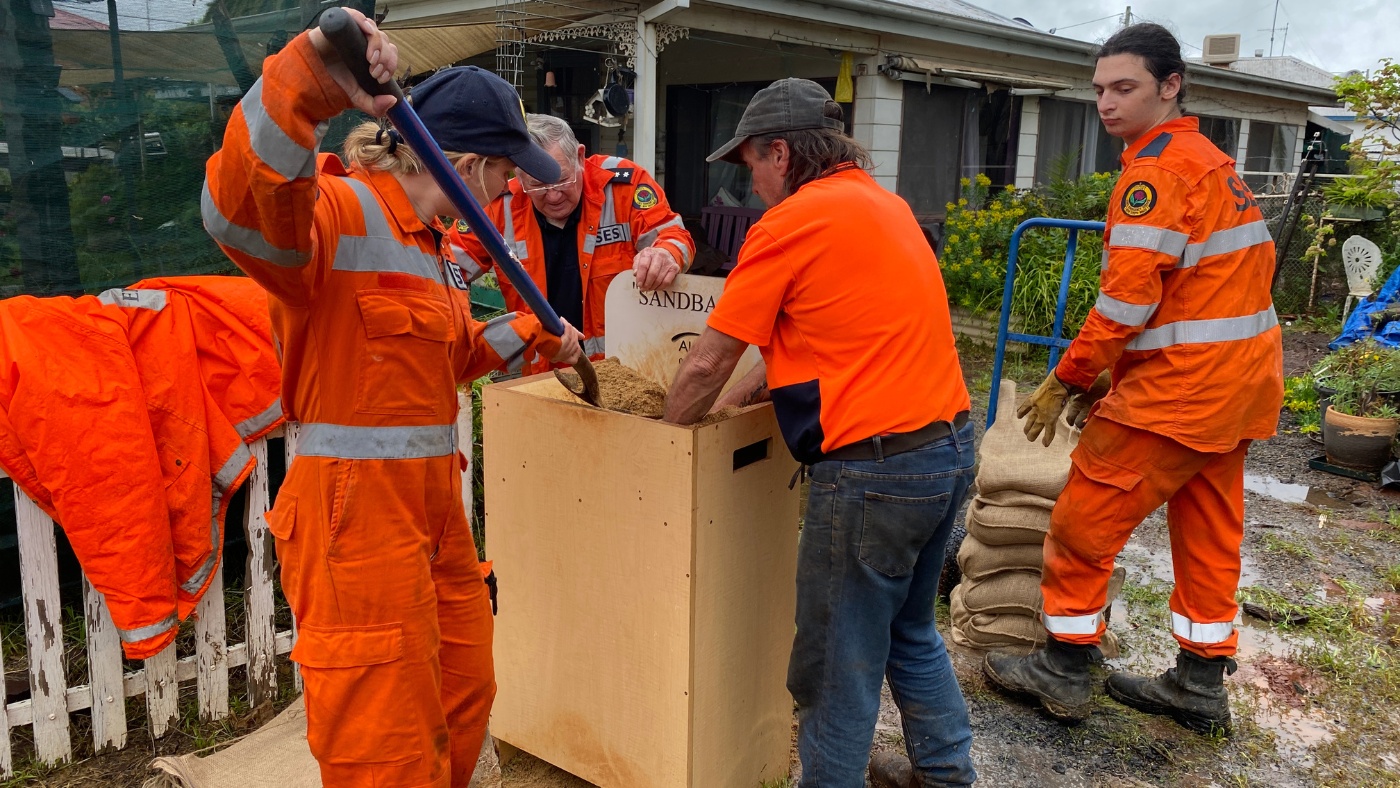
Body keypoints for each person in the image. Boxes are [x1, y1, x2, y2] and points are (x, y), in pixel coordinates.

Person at [202, 11, 583, 785]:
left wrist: (534, 335)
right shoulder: (340, 215)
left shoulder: (435, 252)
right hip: (356, 525)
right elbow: (241, 215)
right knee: (384, 743)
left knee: (463, 696)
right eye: (507, 172)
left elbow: (442, 363)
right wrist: (305, 82)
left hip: (434, 517)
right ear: (468, 164)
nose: (511, 187)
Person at [662, 78, 977, 788]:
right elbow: (806, 353)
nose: (751, 183)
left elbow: (709, 358)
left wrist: (662, 432)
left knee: (836, 663)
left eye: (751, 164)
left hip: (876, 473)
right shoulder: (881, 204)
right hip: (947, 451)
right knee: (908, 631)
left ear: (782, 151)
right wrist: (730, 405)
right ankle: (947, 774)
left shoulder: (792, 222)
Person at [982, 22, 1283, 736]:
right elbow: (1208, 292)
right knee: (1209, 532)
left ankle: (1063, 668)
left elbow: (1126, 300)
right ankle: (1200, 683)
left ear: (1170, 86)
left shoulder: (1155, 173)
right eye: (1099, 90)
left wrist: (1073, 376)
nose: (1107, 104)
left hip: (1180, 393)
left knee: (1084, 521)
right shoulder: (1212, 163)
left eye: (1125, 88)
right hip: (1238, 389)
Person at [447, 113, 695, 374]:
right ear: (516, 174)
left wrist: (665, 254)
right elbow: (445, 265)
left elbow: (675, 237)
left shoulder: (624, 185)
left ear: (579, 157)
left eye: (562, 180)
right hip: (540, 375)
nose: (553, 196)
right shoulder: (499, 206)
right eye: (537, 186)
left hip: (624, 368)